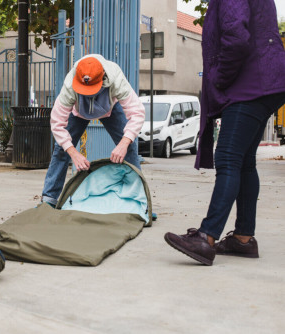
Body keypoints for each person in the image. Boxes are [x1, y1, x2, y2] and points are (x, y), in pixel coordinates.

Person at [164, 0, 285, 265]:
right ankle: (243, 238)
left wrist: (219, 77)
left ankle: (206, 237)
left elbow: (237, 38)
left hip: (251, 83)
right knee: (243, 162)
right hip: (267, 79)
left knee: (229, 157)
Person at [41, 54, 145, 207]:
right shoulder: (70, 84)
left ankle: (139, 201)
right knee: (61, 149)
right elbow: (57, 123)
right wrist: (73, 153)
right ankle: (49, 199)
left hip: (110, 108)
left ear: (103, 77)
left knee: (129, 146)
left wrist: (124, 143)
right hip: (79, 111)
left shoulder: (115, 77)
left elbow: (137, 112)